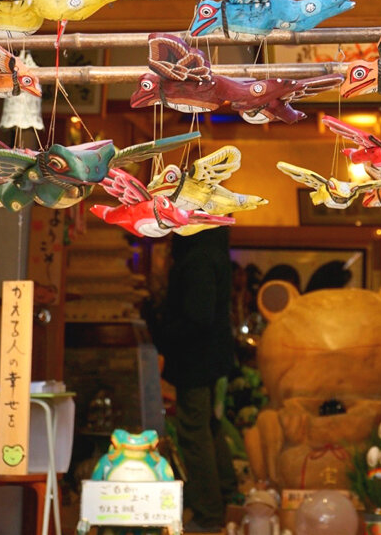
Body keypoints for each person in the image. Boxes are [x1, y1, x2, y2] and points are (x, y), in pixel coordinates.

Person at [161, 227, 238, 532]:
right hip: (213, 358)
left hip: (196, 360)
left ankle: (208, 513)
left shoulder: (197, 257)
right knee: (209, 427)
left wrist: (164, 332)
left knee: (194, 433)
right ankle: (227, 496)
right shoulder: (213, 249)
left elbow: (198, 316)